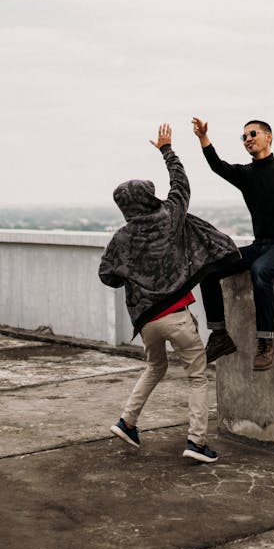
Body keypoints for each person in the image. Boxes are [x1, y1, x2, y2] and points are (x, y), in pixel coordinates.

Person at [99, 123, 240, 464]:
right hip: (176, 315)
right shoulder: (169, 216)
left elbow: (107, 275)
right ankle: (196, 441)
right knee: (196, 375)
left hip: (146, 321)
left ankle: (127, 421)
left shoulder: (121, 237)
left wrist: (133, 276)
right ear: (148, 196)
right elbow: (181, 184)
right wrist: (167, 149)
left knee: (154, 367)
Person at [190, 117, 274, 371]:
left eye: (252, 133)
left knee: (260, 271)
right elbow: (218, 166)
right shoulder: (245, 174)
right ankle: (219, 335)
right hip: (260, 245)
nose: (248, 139)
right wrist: (203, 139)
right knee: (209, 268)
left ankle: (266, 342)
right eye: (243, 137)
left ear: (268, 136)